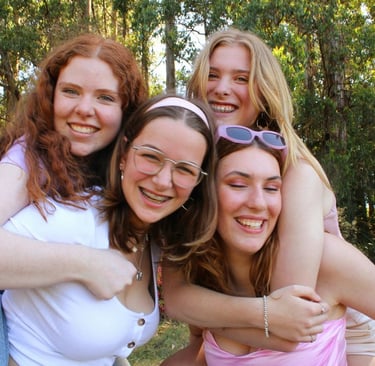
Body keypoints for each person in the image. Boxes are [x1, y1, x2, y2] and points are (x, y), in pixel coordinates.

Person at [161, 28, 375, 365]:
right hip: (247, 323)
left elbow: (284, 322)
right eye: (212, 75)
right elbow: (176, 297)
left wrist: (208, 316)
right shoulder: (194, 166)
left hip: (334, 326)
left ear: (263, 91)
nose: (221, 88)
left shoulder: (296, 171)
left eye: (241, 78)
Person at [2, 94, 218, 364]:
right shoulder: (77, 216)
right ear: (124, 155)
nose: (163, 181)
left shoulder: (153, 241)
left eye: (185, 169)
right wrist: (82, 263)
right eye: (151, 157)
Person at [0, 33, 147, 365]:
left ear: (127, 110)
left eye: (105, 98)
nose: (84, 109)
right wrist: (85, 263)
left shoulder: (115, 168)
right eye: (71, 91)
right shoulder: (26, 158)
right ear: (50, 97)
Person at [187, 125, 375, 365]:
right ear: (205, 194)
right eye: (237, 184)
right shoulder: (206, 277)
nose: (258, 203)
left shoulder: (326, 260)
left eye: (271, 188)